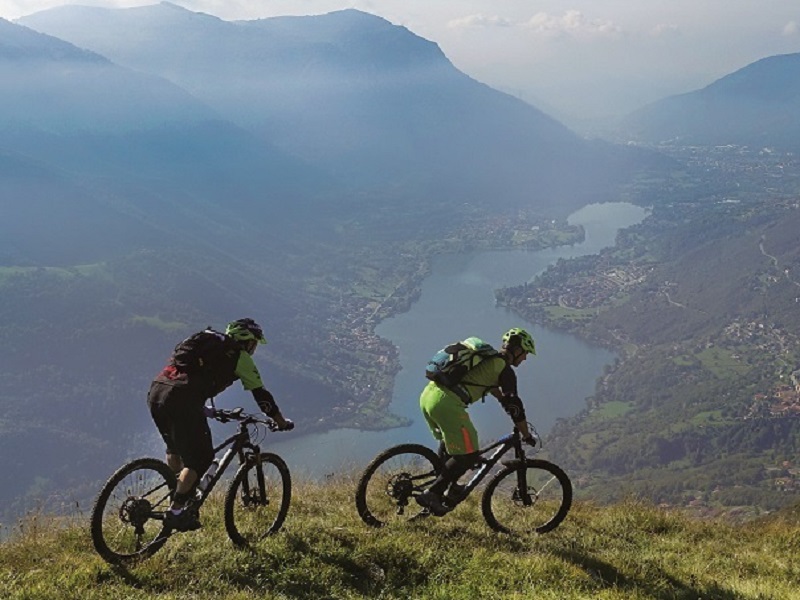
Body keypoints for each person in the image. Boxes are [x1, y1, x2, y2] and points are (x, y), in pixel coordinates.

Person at [147, 317, 293, 532]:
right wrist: (280, 421)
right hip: (182, 399)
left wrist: (203, 408)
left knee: (175, 451)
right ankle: (176, 511)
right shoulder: (239, 357)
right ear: (248, 341)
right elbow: (261, 395)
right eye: (254, 344)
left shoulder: (206, 342)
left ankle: (178, 492)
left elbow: (188, 377)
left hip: (157, 392)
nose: (254, 350)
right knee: (201, 459)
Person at [416, 327, 537, 516]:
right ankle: (433, 493)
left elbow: (500, 396)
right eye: (526, 353)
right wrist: (526, 434)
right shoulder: (504, 370)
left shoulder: (488, 361)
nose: (525, 359)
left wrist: (507, 405)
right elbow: (515, 405)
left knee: (454, 445)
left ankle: (451, 485)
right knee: (468, 454)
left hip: (429, 395)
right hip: (446, 404)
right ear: (517, 350)